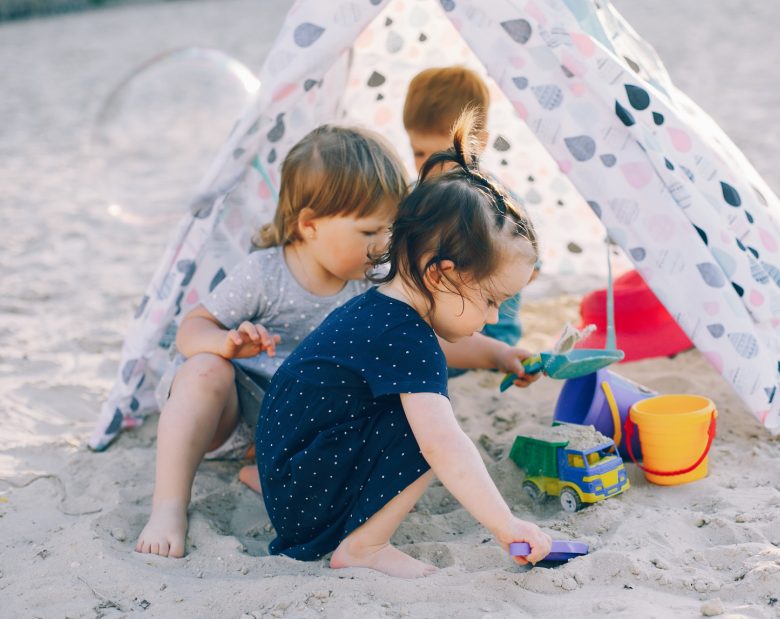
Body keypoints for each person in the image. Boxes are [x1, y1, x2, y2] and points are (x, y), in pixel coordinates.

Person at [255, 111, 553, 578]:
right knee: (430, 432)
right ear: (442, 273)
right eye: (492, 299)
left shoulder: (383, 308)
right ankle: (364, 548)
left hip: (291, 477)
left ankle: (356, 530)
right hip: (303, 500)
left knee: (420, 419)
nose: (494, 318)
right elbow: (444, 447)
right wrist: (505, 525)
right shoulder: (405, 337)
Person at [135, 125, 409, 558]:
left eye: (391, 229)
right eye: (370, 231)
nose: (384, 245)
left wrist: (497, 354)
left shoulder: (367, 287)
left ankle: (265, 470)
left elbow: (417, 347)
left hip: (297, 427)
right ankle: (169, 506)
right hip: (235, 412)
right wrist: (226, 343)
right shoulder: (265, 274)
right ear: (310, 225)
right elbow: (191, 331)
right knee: (204, 368)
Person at [403, 66, 523, 349]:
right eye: (418, 152)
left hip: (486, 331)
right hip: (432, 322)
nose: (427, 166)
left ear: (478, 145)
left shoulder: (496, 203)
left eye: (442, 154)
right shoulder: (414, 195)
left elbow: (526, 266)